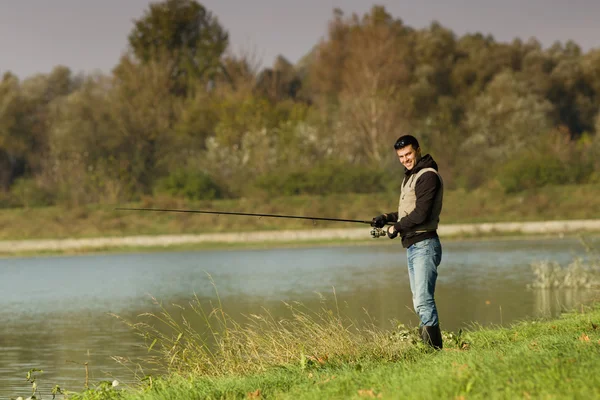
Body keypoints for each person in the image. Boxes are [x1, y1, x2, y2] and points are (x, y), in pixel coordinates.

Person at [371, 134, 444, 349]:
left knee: (423, 300)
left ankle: (433, 350)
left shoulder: (427, 176)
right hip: (413, 246)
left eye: (408, 154)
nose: (405, 159)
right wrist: (386, 218)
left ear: (418, 150)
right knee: (418, 301)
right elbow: (407, 212)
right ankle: (430, 348)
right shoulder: (410, 176)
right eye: (401, 156)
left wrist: (396, 228)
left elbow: (421, 214)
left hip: (425, 245)